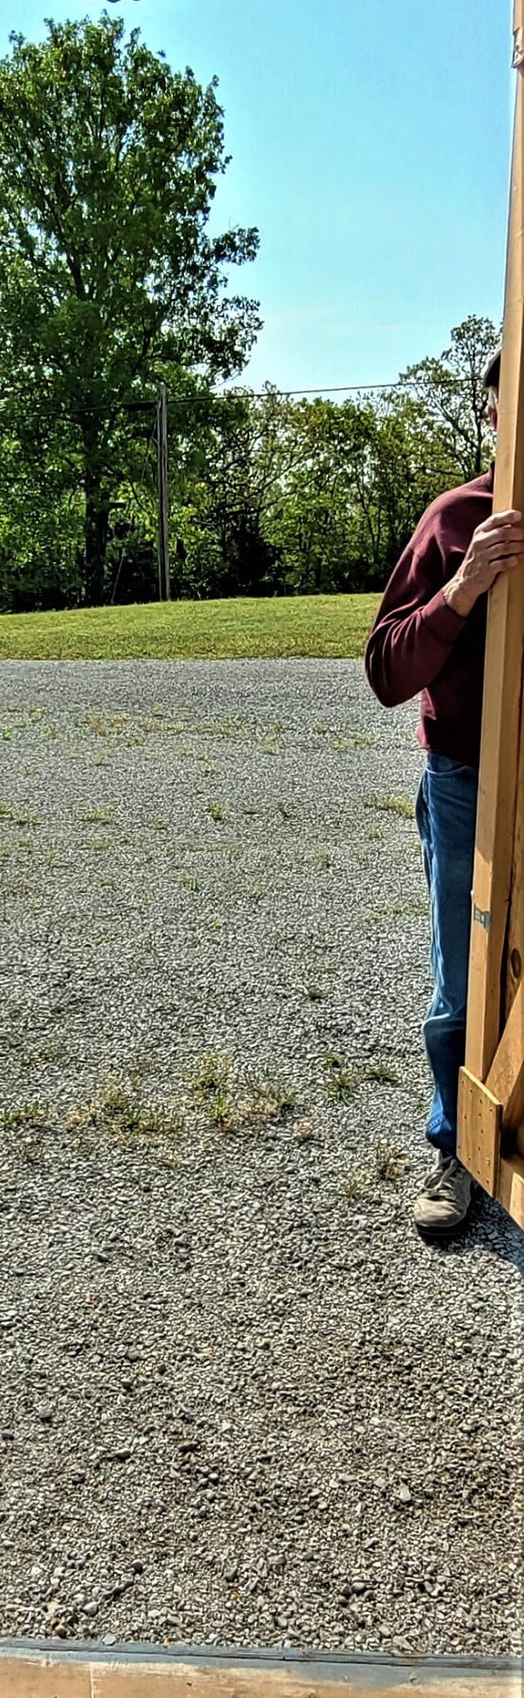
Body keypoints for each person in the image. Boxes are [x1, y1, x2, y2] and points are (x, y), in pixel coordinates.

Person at [364, 345, 524, 1243]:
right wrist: (465, 587)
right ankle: (458, 1152)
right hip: (469, 785)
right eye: (518, 401)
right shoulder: (456, 517)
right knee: (465, 984)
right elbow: (386, 669)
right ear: (493, 415)